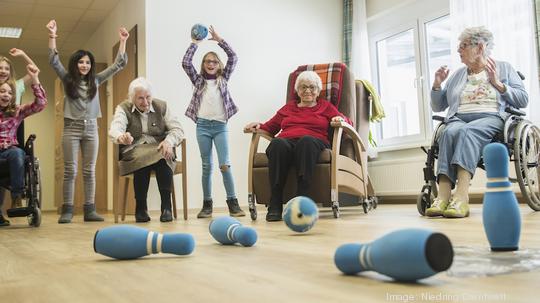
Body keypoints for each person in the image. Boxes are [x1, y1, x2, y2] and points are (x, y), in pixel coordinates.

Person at [427, 26, 528, 218]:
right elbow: (438, 105)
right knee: (448, 132)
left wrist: (498, 84)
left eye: (463, 46)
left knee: (467, 132)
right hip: (459, 117)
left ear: (480, 47)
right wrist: (437, 84)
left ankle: (462, 197)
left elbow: (523, 99)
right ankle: (442, 196)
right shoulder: (458, 75)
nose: (459, 50)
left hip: (490, 118)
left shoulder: (504, 67)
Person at [46, 19, 129, 223]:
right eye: (81, 62)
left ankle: (90, 210)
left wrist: (123, 41)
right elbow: (53, 61)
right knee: (70, 170)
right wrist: (53, 36)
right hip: (71, 129)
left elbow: (119, 64)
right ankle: (67, 209)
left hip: (91, 128)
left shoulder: (96, 80)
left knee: (89, 170)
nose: (84, 65)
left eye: (87, 62)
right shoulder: (67, 80)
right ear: (75, 64)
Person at [244, 71, 351, 222]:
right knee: (277, 143)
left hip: (313, 142)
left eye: (312, 87)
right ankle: (275, 201)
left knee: (306, 141)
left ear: (318, 90)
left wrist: (340, 118)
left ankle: (302, 198)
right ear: (297, 90)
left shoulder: (325, 107)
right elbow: (270, 127)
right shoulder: (289, 108)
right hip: (287, 142)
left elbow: (347, 123)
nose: (307, 90)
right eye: (303, 87)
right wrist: (258, 125)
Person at [182, 25, 245, 218]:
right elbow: (185, 63)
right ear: (203, 65)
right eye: (207, 61)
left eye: (214, 62)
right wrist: (195, 43)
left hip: (220, 127)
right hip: (202, 126)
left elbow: (233, 57)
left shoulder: (223, 79)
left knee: (224, 164)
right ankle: (207, 204)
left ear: (219, 65)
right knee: (206, 166)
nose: (211, 64)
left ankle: (233, 203)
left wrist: (220, 41)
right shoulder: (198, 80)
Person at [109, 77, 184, 222]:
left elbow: (178, 129)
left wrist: (169, 141)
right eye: (140, 98)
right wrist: (121, 137)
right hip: (135, 149)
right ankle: (141, 208)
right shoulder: (123, 108)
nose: (145, 102)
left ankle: (166, 207)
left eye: (148, 97)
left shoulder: (162, 106)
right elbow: (115, 129)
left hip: (159, 147)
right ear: (132, 98)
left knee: (164, 155)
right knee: (142, 161)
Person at [0, 64, 47, 227]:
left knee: (18, 153)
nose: (6, 94)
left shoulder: (17, 112)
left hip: (9, 152)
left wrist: (34, 79)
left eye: (10, 92)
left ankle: (17, 197)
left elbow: (40, 104)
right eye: (2, 91)